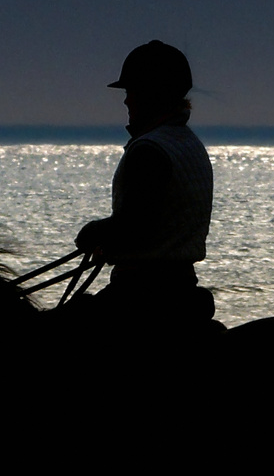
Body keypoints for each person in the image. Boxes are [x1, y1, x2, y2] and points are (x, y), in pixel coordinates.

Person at [74, 40, 217, 335]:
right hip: (182, 286)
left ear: (151, 95)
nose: (126, 102)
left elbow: (134, 226)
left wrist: (94, 233)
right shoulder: (189, 143)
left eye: (131, 93)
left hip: (143, 295)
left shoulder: (149, 150)